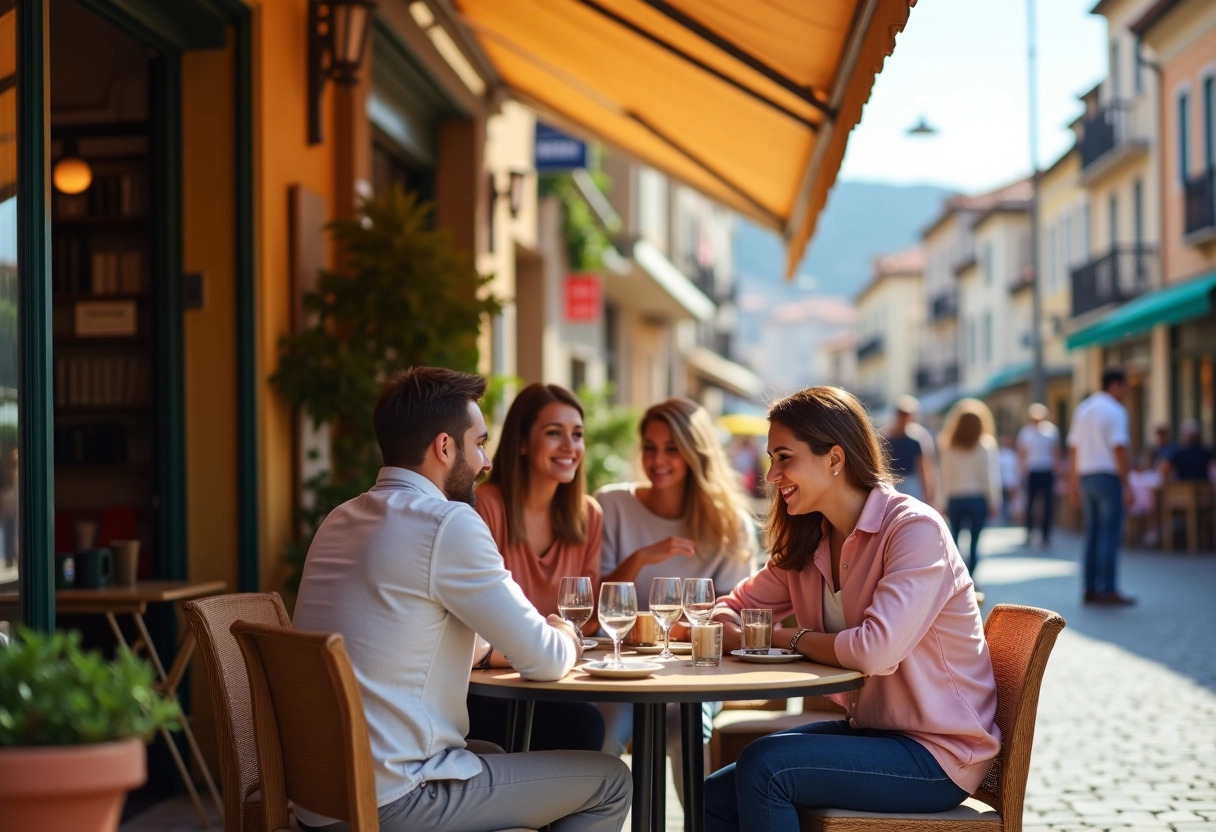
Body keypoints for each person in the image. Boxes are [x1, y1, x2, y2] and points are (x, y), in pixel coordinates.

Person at [292, 367, 630, 832]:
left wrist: (497, 649)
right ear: (445, 447)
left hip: (323, 799)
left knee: (493, 754)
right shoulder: (446, 523)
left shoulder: (340, 520)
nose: (486, 461)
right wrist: (566, 633)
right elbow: (547, 660)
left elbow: (412, 637)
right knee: (611, 780)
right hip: (394, 800)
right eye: (479, 443)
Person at [703, 386, 998, 832]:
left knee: (768, 767)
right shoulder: (810, 540)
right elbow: (734, 606)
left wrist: (780, 637)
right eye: (770, 458)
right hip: (874, 733)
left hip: (938, 752)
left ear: (834, 459)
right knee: (714, 796)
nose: (771, 474)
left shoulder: (914, 530)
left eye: (784, 457)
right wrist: (728, 624)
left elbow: (874, 652)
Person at [595, 398, 760, 794]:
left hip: (695, 673)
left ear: (694, 453)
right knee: (599, 732)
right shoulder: (611, 505)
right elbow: (593, 602)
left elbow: (730, 617)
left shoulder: (729, 525)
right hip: (615, 671)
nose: (658, 460)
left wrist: (670, 631)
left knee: (686, 728)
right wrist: (640, 558)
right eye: (650, 447)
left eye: (672, 448)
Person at [468, 382, 605, 752]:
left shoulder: (587, 516)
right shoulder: (485, 507)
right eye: (553, 433)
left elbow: (588, 620)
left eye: (577, 434)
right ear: (523, 443)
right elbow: (474, 622)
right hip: (490, 688)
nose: (569, 446)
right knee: (583, 725)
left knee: (586, 722)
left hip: (554, 677)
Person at [1067, 368, 1135, 605]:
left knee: (1092, 534)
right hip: (1108, 477)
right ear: (1116, 385)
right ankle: (1108, 588)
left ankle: (1090, 587)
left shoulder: (1084, 408)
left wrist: (1073, 482)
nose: (1126, 392)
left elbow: (1073, 448)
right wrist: (1127, 484)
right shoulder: (1116, 411)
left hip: (1087, 477)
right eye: (1125, 386)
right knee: (1109, 533)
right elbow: (1119, 448)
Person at [936, 398, 1001, 579]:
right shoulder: (985, 445)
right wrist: (994, 501)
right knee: (974, 543)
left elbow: (944, 476)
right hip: (977, 499)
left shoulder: (947, 445)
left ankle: (956, 578)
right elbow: (990, 476)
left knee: (954, 542)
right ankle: (970, 577)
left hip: (955, 498)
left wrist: (941, 501)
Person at [1016, 402, 1061, 546]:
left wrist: (1057, 469)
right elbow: (1022, 453)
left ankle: (1045, 535)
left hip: (1046, 470)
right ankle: (1029, 533)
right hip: (1032, 470)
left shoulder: (1051, 431)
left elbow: (1056, 452)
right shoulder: (1025, 432)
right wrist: (1021, 470)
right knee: (1030, 504)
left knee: (1047, 504)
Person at [880, 394, 936, 506]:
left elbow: (922, 467)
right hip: (892, 482)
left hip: (911, 482)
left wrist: (928, 490)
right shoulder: (886, 439)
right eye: (902, 416)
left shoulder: (915, 441)